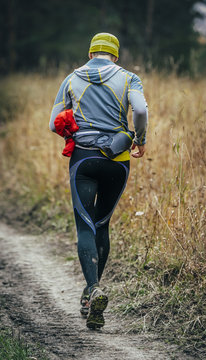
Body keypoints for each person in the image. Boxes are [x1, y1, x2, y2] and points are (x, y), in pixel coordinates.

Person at [49, 32, 148, 329]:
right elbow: (141, 110)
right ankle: (90, 295)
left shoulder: (71, 78)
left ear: (91, 53)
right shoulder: (130, 77)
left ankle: (92, 290)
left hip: (83, 160)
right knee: (102, 223)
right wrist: (140, 139)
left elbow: (53, 123)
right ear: (115, 56)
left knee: (85, 225)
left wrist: (73, 131)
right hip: (117, 161)